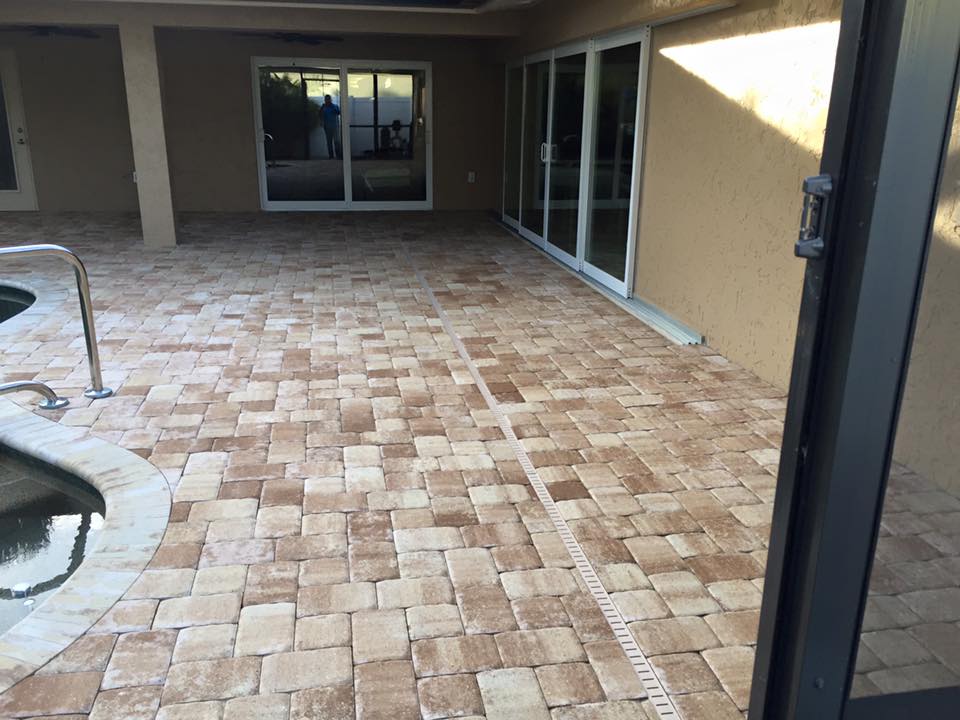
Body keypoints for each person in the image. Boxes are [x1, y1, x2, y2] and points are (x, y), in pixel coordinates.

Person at [320, 95, 341, 159]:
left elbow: (338, 112)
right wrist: (322, 108)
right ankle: (331, 156)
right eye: (326, 99)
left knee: (337, 141)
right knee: (329, 142)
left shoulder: (334, 106)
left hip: (335, 127)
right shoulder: (323, 107)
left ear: (330, 99)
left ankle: (338, 156)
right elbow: (320, 115)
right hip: (327, 127)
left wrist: (332, 107)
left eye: (328, 99)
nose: (327, 100)